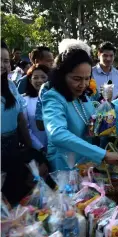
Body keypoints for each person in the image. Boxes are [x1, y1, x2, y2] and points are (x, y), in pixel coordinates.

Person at [42, 48, 118, 171]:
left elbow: (90, 122)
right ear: (62, 75)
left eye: (87, 79)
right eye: (77, 79)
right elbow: (57, 134)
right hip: (64, 166)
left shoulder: (82, 96)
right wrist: (103, 154)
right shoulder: (53, 97)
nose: (83, 84)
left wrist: (105, 112)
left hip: (86, 164)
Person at [1, 41, 51, 205]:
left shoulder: (10, 86)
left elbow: (21, 120)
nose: (3, 65)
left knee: (15, 195)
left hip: (14, 146)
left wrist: (32, 152)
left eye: (6, 60)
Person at [23, 64, 50, 151]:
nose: (40, 80)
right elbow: (25, 128)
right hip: (36, 148)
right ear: (30, 80)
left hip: (57, 147)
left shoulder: (56, 98)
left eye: (43, 77)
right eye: (35, 77)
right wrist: (39, 147)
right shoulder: (24, 100)